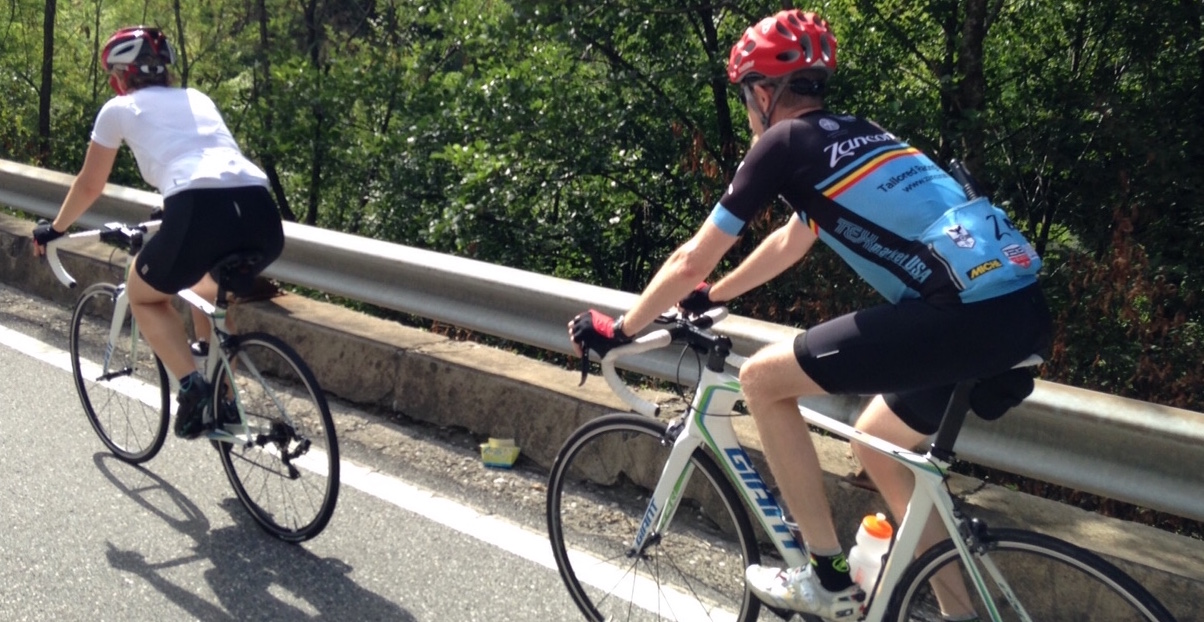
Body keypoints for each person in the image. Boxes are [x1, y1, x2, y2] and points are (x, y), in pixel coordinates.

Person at [569, 9, 1051, 621]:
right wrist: (717, 296)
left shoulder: (785, 143)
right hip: (1021, 310)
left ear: (765, 93)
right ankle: (962, 614)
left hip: (962, 317)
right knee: (878, 442)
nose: (749, 110)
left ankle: (824, 575)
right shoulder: (862, 135)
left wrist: (623, 327)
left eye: (747, 96)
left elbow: (692, 257)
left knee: (762, 382)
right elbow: (793, 241)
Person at [32, 26, 285, 440]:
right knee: (207, 293)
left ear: (119, 77)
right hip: (259, 212)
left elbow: (90, 184)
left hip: (198, 211)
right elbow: (207, 159)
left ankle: (193, 388)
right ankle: (225, 401)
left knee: (143, 295)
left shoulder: (119, 109)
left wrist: (55, 228)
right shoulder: (197, 99)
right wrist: (172, 209)